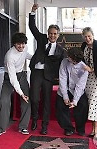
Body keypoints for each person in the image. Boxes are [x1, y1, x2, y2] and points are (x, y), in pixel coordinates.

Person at [29, 4, 66, 135]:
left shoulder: (61, 51)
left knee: (46, 101)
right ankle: (34, 119)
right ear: (47, 33)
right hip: (36, 72)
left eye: (55, 34)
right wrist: (32, 12)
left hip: (48, 77)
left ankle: (44, 126)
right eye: (50, 33)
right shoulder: (41, 39)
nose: (52, 36)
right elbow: (32, 28)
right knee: (34, 98)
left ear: (58, 35)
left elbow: (64, 66)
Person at [0, 33, 32, 136]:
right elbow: (13, 78)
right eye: (18, 44)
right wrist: (20, 93)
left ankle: (23, 127)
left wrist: (35, 59)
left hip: (22, 75)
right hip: (9, 77)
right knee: (4, 101)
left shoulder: (25, 47)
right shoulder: (9, 56)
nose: (21, 46)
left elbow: (26, 54)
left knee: (26, 100)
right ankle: (1, 128)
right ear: (14, 44)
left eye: (23, 44)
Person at [56, 47, 89, 136]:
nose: (71, 62)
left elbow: (80, 85)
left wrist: (75, 101)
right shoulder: (64, 62)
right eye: (70, 59)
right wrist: (65, 97)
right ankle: (68, 128)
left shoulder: (84, 68)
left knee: (82, 106)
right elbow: (62, 78)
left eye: (74, 61)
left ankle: (80, 129)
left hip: (77, 91)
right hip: (65, 88)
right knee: (60, 106)